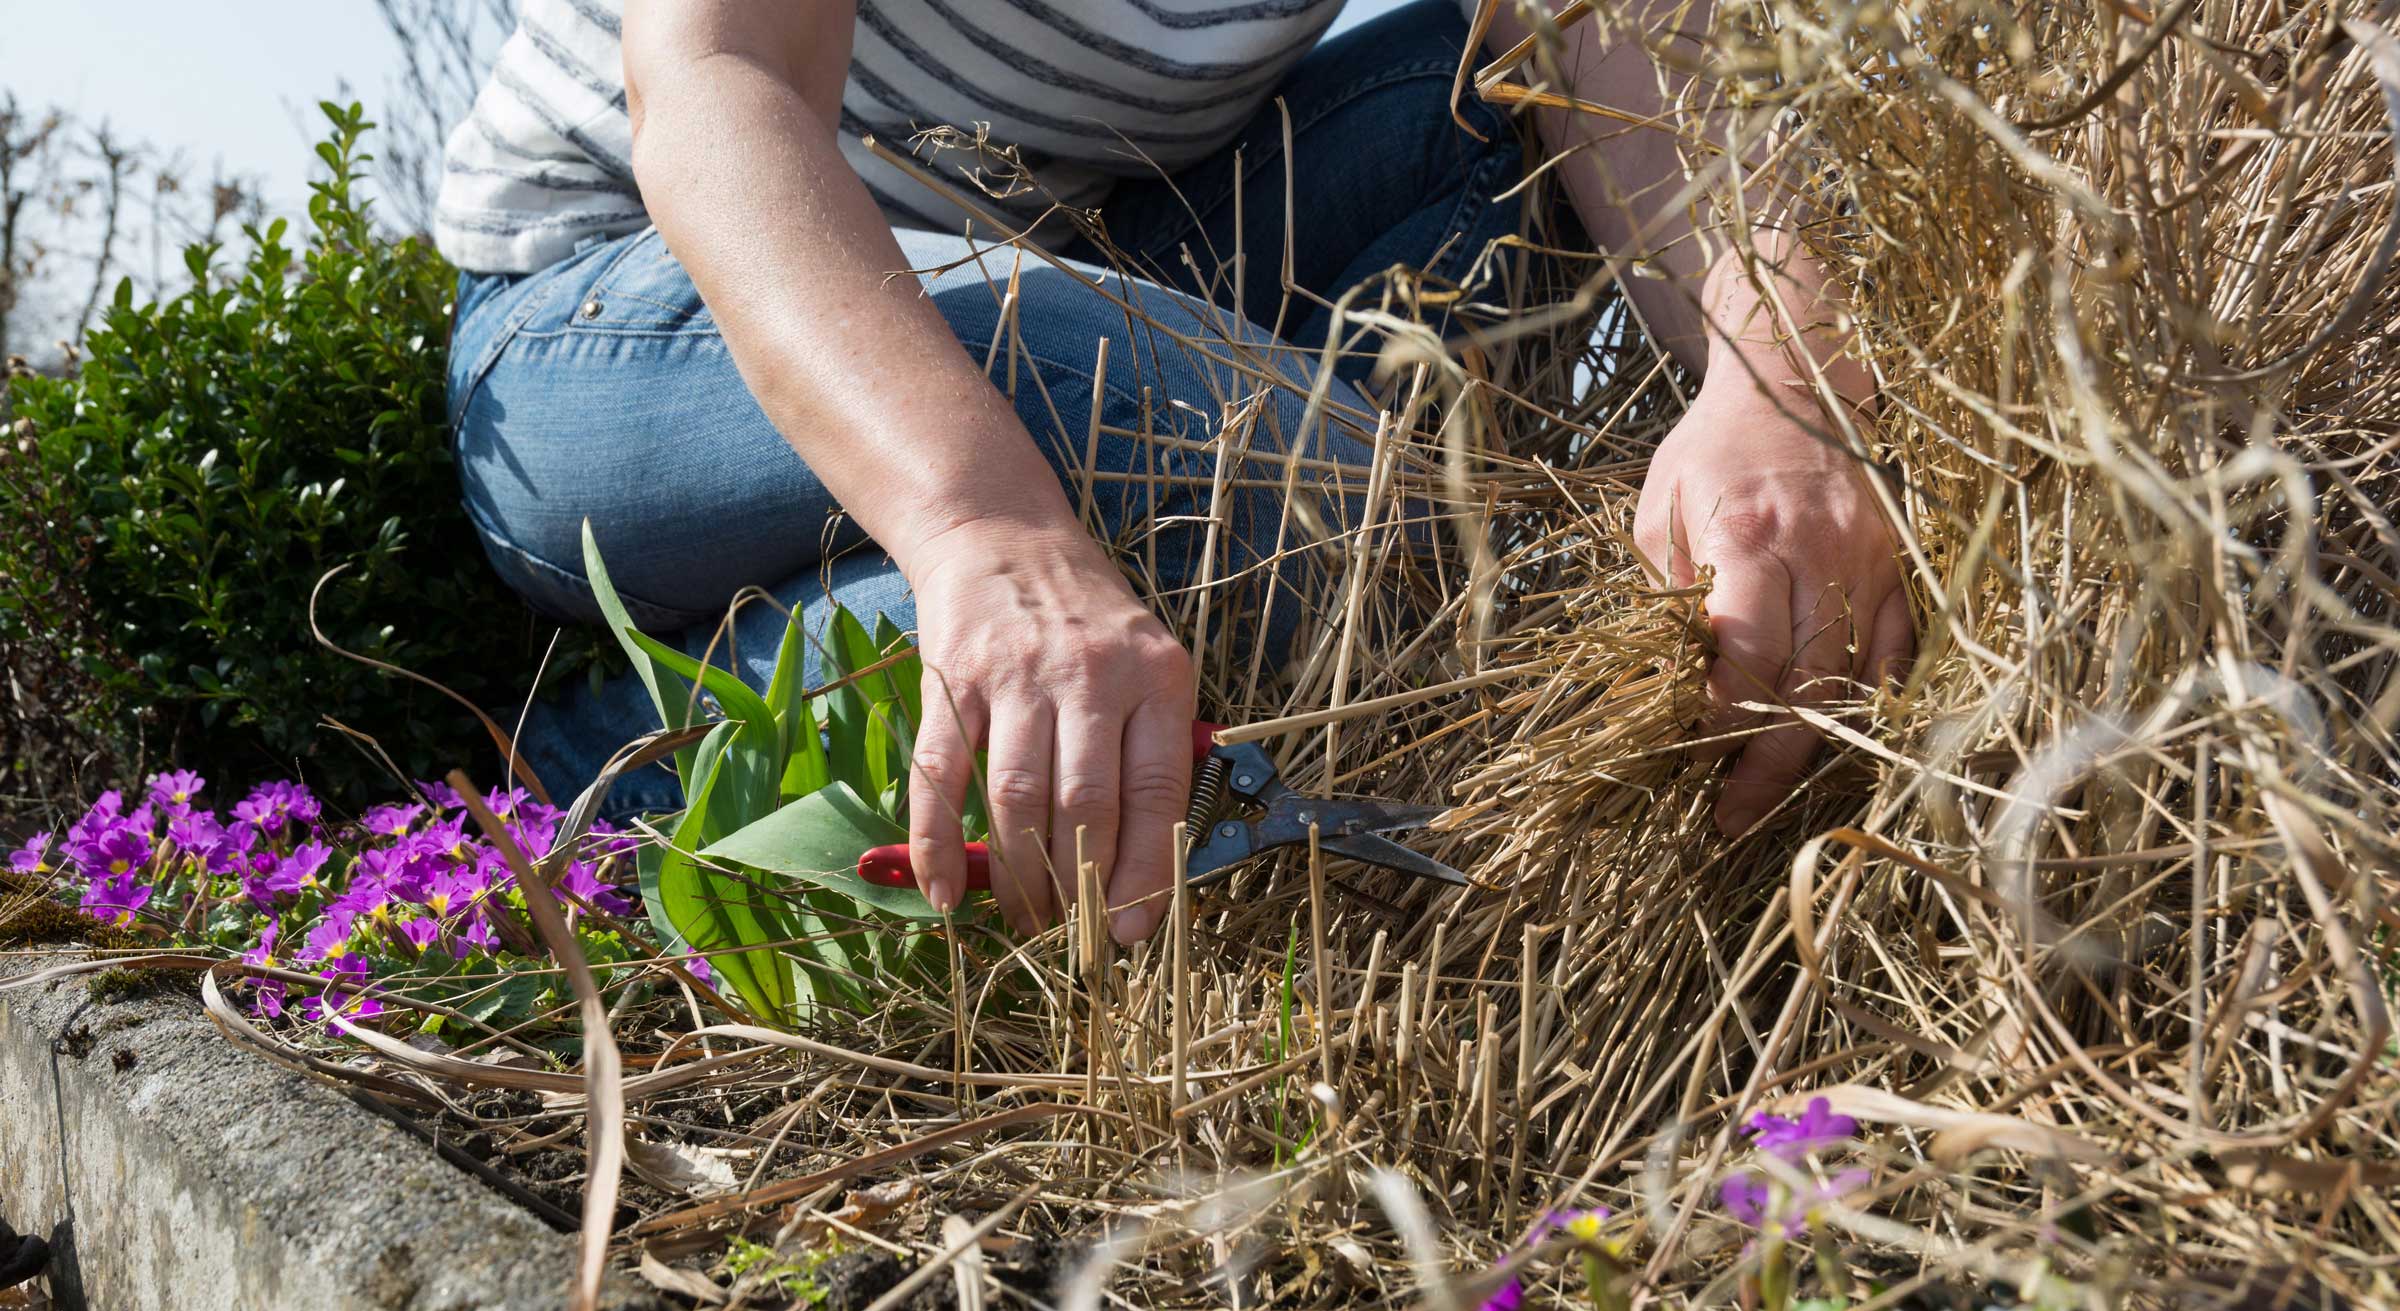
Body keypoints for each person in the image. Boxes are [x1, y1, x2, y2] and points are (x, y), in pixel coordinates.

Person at [438, 0, 1907, 945]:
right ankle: (600, 766)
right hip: (626, 315)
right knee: (1319, 522)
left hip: (1094, 254)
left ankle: (826, 665)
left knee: (1488, 106)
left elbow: (1597, 31)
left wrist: (1783, 389)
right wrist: (988, 527)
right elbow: (717, 92)